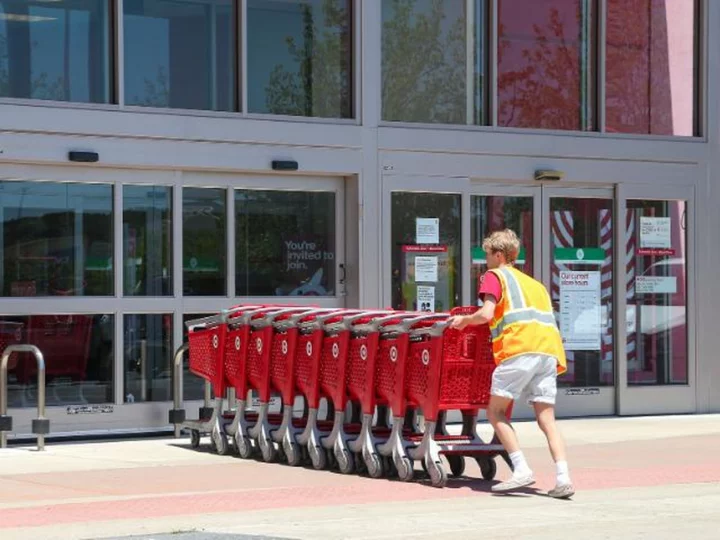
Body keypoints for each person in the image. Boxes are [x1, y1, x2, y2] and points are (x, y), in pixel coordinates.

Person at [449, 229, 574, 499]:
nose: (486, 261)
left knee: (495, 412)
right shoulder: (535, 285)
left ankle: (521, 469)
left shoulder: (495, 276)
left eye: (487, 255)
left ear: (499, 255)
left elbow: (486, 314)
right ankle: (563, 477)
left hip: (518, 348)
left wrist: (464, 322)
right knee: (547, 418)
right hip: (548, 351)